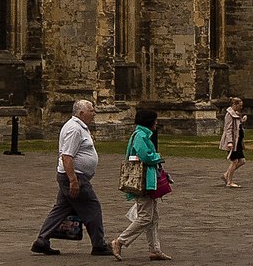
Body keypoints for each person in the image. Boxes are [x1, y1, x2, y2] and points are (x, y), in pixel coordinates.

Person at [31, 98, 110, 256]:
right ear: (81, 113)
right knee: (92, 207)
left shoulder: (80, 127)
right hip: (74, 176)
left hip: (73, 176)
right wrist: (73, 180)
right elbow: (67, 156)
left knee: (61, 209)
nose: (94, 113)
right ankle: (99, 245)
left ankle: (42, 240)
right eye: (91, 110)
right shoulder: (74, 129)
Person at [112, 104, 168, 261]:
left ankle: (154, 249)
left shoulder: (142, 135)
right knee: (145, 217)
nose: (156, 124)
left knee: (152, 216)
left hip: (147, 179)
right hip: (143, 181)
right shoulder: (141, 136)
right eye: (155, 121)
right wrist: (158, 156)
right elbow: (145, 156)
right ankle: (120, 241)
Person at [218, 98, 246, 188]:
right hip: (233, 141)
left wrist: (242, 120)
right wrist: (230, 142)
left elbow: (236, 125)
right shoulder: (229, 115)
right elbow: (228, 129)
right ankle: (229, 181)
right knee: (234, 161)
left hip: (237, 141)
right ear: (235, 104)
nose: (241, 107)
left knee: (242, 161)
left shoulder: (236, 114)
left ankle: (226, 175)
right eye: (240, 105)